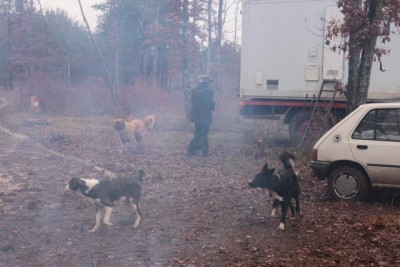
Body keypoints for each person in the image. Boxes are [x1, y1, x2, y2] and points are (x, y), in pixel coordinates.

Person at [187, 75, 215, 156]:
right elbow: (211, 105)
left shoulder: (195, 91)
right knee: (204, 134)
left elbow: (193, 103)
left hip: (196, 116)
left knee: (198, 133)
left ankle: (193, 150)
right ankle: (203, 151)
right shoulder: (209, 92)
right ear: (207, 83)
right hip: (205, 116)